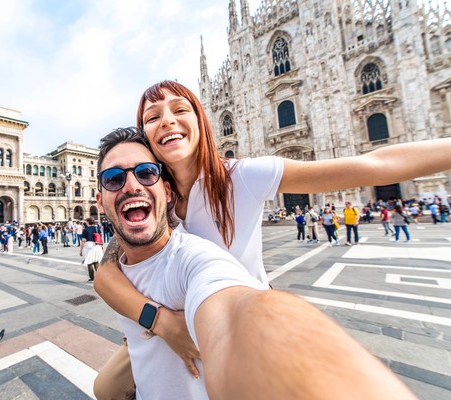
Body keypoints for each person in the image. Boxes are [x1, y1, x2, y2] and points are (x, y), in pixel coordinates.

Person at [93, 80, 451, 398]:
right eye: (153, 116)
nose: (168, 120)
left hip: (232, 314)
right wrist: (160, 321)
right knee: (106, 387)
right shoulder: (151, 193)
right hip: (167, 319)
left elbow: (376, 165)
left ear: (202, 121)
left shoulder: (241, 176)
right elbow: (107, 275)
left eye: (180, 109)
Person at [79, 217, 104, 281]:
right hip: (97, 246)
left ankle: (92, 277)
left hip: (89, 246)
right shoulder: (97, 228)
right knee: (96, 261)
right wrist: (101, 246)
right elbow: (101, 236)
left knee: (89, 261)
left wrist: (81, 250)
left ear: (88, 222)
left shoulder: (85, 230)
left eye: (86, 221)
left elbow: (83, 240)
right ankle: (99, 276)